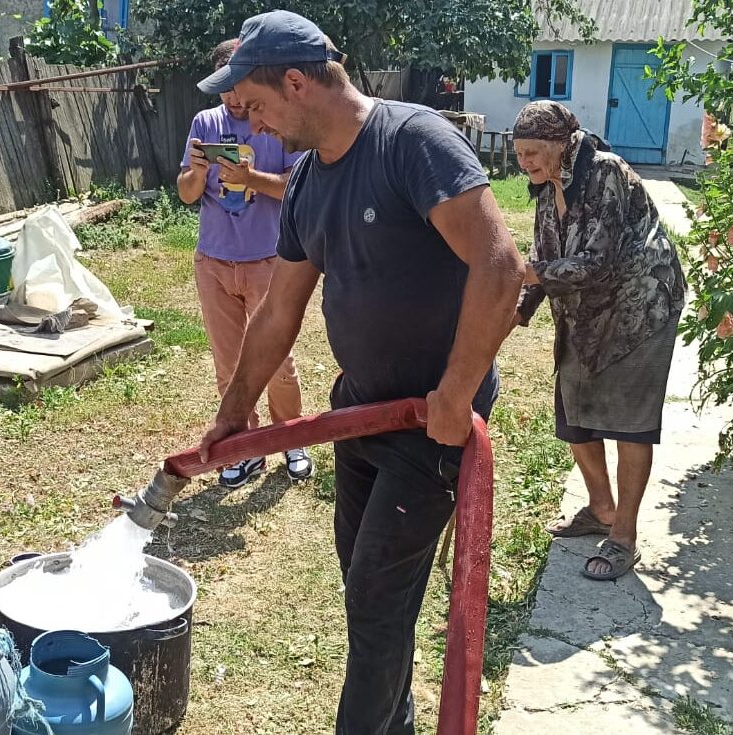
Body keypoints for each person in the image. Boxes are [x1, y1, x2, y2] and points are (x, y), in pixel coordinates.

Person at [194, 10, 524, 733]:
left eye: (255, 106)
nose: (252, 125)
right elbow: (278, 312)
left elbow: (501, 268)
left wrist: (456, 394)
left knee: (376, 601)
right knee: (369, 596)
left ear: (296, 81)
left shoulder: (412, 143)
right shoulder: (307, 182)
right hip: (360, 414)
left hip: (431, 423)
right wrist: (234, 412)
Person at [511, 100, 686, 581]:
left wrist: (528, 274)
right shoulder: (547, 189)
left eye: (532, 152)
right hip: (587, 312)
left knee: (630, 423)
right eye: (519, 154)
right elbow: (544, 255)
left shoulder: (605, 171)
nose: (524, 163)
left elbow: (596, 262)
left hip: (641, 306)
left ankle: (624, 535)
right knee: (574, 413)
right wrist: (519, 310)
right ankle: (601, 508)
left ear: (561, 144)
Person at [178, 39, 313, 488]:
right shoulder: (205, 123)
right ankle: (245, 447)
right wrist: (198, 171)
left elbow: (295, 186)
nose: (234, 100)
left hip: (267, 259)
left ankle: (291, 438)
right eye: (225, 91)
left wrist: (250, 178)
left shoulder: (272, 120)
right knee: (228, 363)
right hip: (213, 260)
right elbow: (187, 193)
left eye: (238, 88)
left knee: (277, 361)